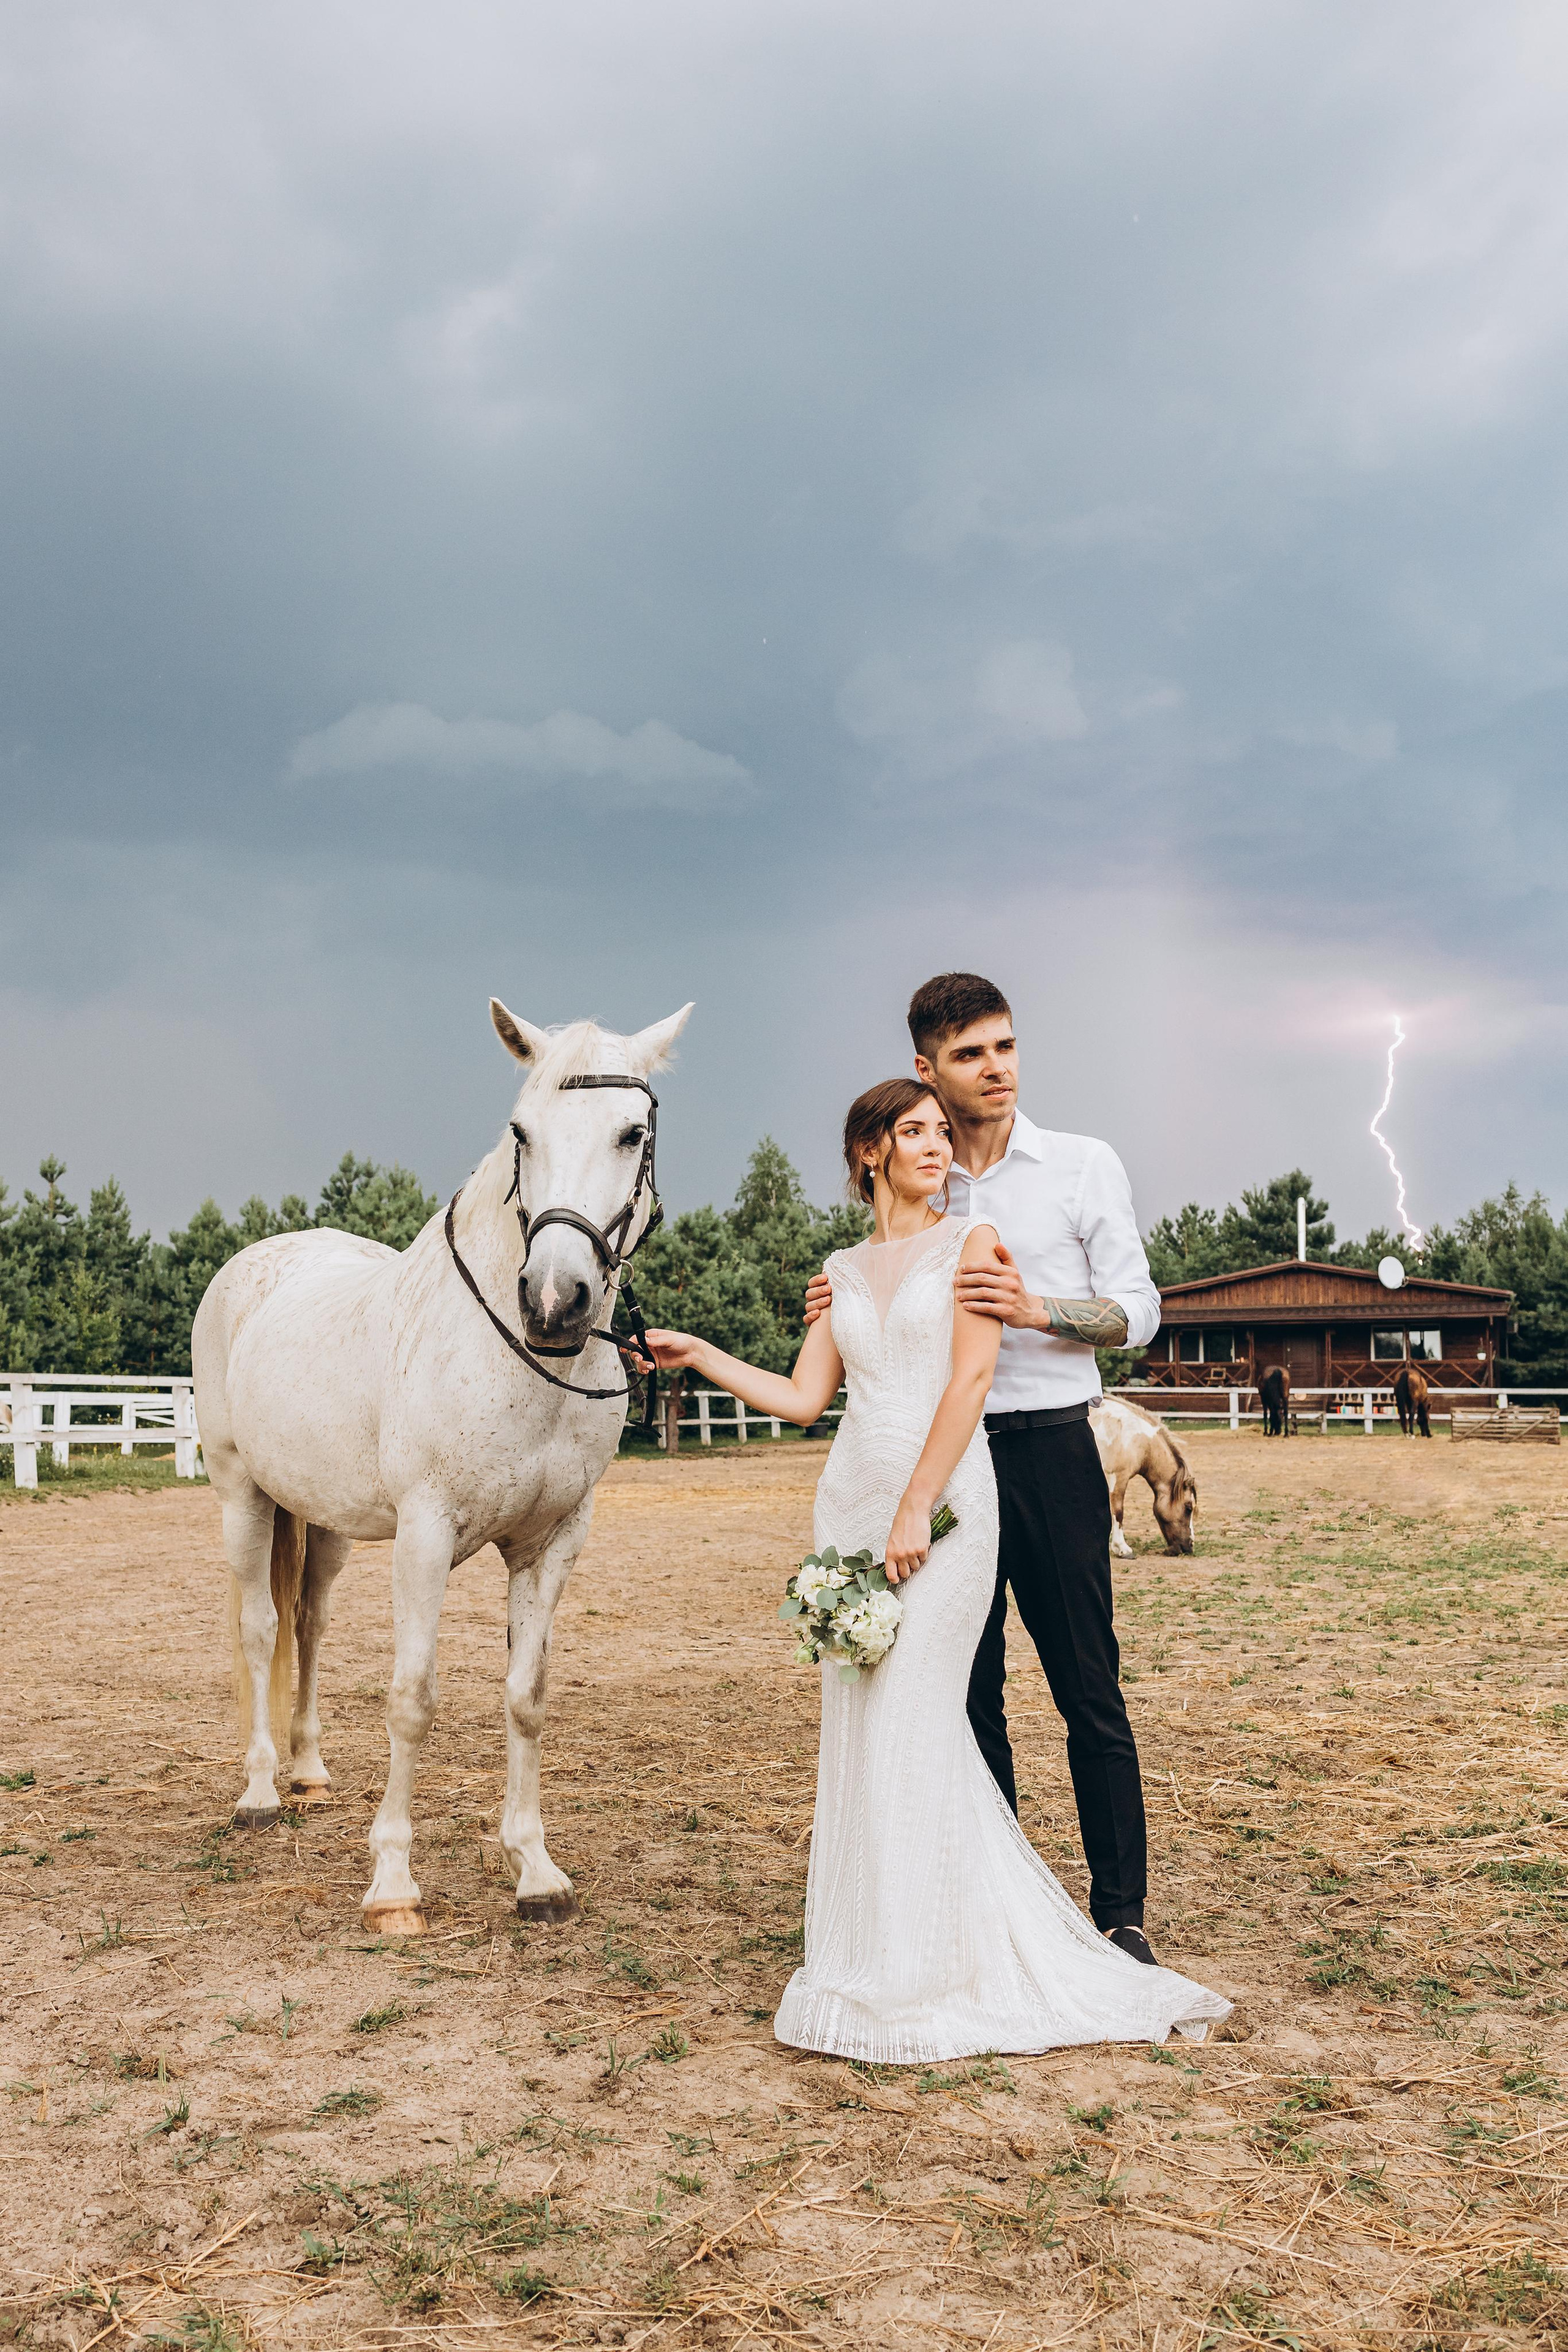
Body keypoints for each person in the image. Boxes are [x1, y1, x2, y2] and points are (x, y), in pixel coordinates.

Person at [643, 1077, 1226, 2062]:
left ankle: (952, 1961)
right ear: (869, 1150)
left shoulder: (974, 1243)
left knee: (923, 1713)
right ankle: (881, 1948)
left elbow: (969, 1379)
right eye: (913, 1133)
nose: (937, 1149)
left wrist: (919, 1503)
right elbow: (800, 1397)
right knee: (869, 1726)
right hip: (852, 1506)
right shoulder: (841, 1267)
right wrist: (700, 1353)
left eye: (942, 1135)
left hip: (949, 1505)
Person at [804, 973, 1164, 1962]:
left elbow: (1139, 1312)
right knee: (963, 1697)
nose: (996, 1068)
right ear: (927, 1069)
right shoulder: (917, 1173)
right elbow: (877, 1291)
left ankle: (1121, 1915)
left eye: (1004, 1046)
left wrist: (1038, 1307)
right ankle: (988, 1909)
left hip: (1047, 1447)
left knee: (1087, 1683)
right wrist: (843, 1301)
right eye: (969, 1055)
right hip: (939, 1468)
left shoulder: (1083, 1166)